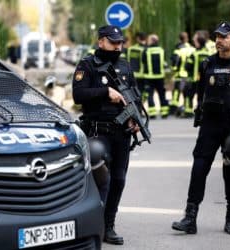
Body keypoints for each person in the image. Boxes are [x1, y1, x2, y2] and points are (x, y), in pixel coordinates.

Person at [172, 21, 230, 235]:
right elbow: (200, 91)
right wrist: (199, 111)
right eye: (217, 36)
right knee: (198, 169)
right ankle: (190, 218)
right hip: (209, 126)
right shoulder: (207, 64)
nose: (219, 40)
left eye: (224, 36)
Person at [72, 25, 139, 245]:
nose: (118, 47)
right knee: (102, 180)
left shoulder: (125, 65)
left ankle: (108, 225)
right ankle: (94, 225)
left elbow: (134, 96)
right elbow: (78, 94)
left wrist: (135, 119)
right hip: (98, 132)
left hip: (122, 133)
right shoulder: (88, 65)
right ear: (101, 42)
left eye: (120, 43)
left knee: (119, 180)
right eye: (113, 42)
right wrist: (105, 92)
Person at [183, 31, 210, 118]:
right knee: (202, 97)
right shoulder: (208, 54)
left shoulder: (194, 54)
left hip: (194, 79)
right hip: (205, 80)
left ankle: (188, 111)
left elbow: (187, 66)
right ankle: (202, 111)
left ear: (198, 42)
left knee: (189, 95)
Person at [143, 34, 169, 118]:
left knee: (150, 94)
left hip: (149, 77)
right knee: (162, 94)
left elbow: (143, 61)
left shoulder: (146, 50)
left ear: (151, 41)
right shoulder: (162, 50)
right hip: (160, 77)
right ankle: (164, 112)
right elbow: (164, 61)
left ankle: (153, 113)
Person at [169, 32, 195, 116]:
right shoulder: (192, 49)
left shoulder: (178, 50)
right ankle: (187, 109)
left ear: (180, 39)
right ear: (187, 38)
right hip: (189, 75)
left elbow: (174, 63)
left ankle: (174, 110)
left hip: (180, 74)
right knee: (187, 94)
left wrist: (174, 69)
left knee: (176, 93)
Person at [127, 32, 148, 101]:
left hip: (132, 74)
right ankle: (141, 104)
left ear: (138, 39)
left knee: (134, 92)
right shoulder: (146, 49)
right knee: (143, 92)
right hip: (143, 75)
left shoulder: (130, 49)